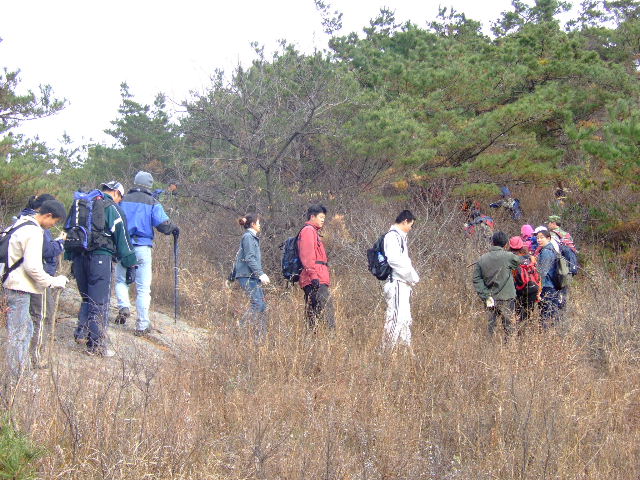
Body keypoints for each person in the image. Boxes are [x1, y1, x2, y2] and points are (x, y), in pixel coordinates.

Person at [65, 181, 137, 356]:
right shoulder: (111, 208)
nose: (120, 200)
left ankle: (81, 333)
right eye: (120, 197)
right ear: (116, 193)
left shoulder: (81, 204)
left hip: (79, 257)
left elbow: (69, 231)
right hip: (101, 258)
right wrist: (130, 264)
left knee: (86, 298)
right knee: (99, 301)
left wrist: (70, 258)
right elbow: (123, 238)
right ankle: (96, 346)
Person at [2, 200, 69, 378]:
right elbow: (32, 267)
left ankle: (19, 374)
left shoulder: (20, 223)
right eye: (54, 221)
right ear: (48, 215)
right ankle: (15, 379)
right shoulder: (34, 232)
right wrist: (53, 281)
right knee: (18, 336)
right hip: (18, 289)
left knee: (27, 330)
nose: (53, 225)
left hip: (11, 285)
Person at [113, 171, 179, 336]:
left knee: (121, 280)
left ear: (135, 182)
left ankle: (124, 306)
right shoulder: (152, 202)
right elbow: (164, 226)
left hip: (124, 246)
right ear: (149, 185)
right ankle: (142, 325)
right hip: (143, 248)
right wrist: (174, 228)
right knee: (143, 288)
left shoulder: (122, 200)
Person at [16, 194, 67, 367]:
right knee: (41, 316)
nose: (53, 225)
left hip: (20, 281)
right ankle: (35, 359)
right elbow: (43, 254)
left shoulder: (22, 220)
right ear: (46, 212)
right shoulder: (36, 229)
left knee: (27, 322)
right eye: (55, 221)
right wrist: (60, 244)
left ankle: (24, 361)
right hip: (34, 281)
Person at [472, 231, 524, 337]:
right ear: (506, 244)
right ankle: (509, 347)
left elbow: (476, 279)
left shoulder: (482, 259)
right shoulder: (509, 256)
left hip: (489, 298)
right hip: (507, 298)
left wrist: (485, 295)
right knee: (509, 329)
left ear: (492, 242)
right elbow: (520, 261)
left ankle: (489, 346)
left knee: (490, 329)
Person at [382, 210, 420, 348]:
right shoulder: (392, 236)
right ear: (405, 221)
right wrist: (411, 276)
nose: (411, 228)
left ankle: (405, 352)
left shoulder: (400, 237)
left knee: (405, 319)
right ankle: (386, 352)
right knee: (395, 318)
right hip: (397, 283)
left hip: (403, 284)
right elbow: (394, 260)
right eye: (411, 225)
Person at [298, 204, 335, 329]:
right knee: (327, 312)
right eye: (320, 217)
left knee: (313, 314)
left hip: (316, 278)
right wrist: (314, 277)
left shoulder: (313, 232)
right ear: (312, 216)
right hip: (315, 279)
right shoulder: (308, 231)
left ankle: (312, 339)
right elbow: (307, 255)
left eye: (324, 217)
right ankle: (330, 338)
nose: (323, 220)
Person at [233, 214, 270, 339]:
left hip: (252, 276)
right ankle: (241, 328)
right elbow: (249, 258)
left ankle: (261, 338)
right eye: (258, 223)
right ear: (253, 224)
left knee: (262, 305)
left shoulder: (252, 237)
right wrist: (261, 273)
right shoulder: (248, 237)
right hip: (247, 276)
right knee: (257, 304)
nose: (260, 225)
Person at [508, 236, 540, 330]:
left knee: (517, 313)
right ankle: (524, 332)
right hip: (532, 288)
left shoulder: (510, 259)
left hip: (518, 289)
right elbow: (537, 275)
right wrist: (539, 291)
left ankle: (517, 332)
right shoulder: (531, 258)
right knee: (527, 313)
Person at [535, 228, 561, 328]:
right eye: (538, 238)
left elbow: (543, 272)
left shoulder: (546, 252)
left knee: (545, 313)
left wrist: (539, 289)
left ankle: (546, 332)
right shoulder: (550, 249)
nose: (539, 240)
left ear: (549, 238)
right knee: (551, 312)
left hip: (547, 286)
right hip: (552, 285)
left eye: (542, 238)